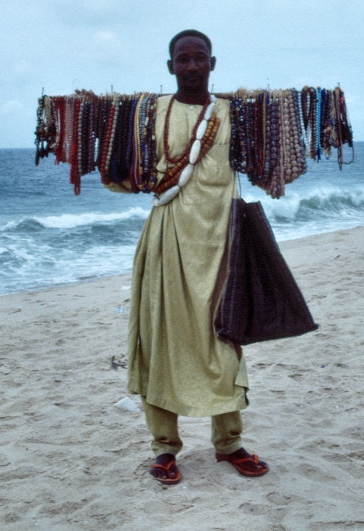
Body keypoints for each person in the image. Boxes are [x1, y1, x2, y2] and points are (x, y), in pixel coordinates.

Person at [107, 30, 268, 484]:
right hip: (167, 242)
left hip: (222, 245)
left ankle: (229, 443)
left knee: (225, 340)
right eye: (183, 59)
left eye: (200, 59)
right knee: (162, 342)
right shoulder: (149, 114)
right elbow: (121, 173)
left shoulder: (232, 115)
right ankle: (164, 448)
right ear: (170, 66)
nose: (192, 66)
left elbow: (262, 165)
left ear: (213, 64)